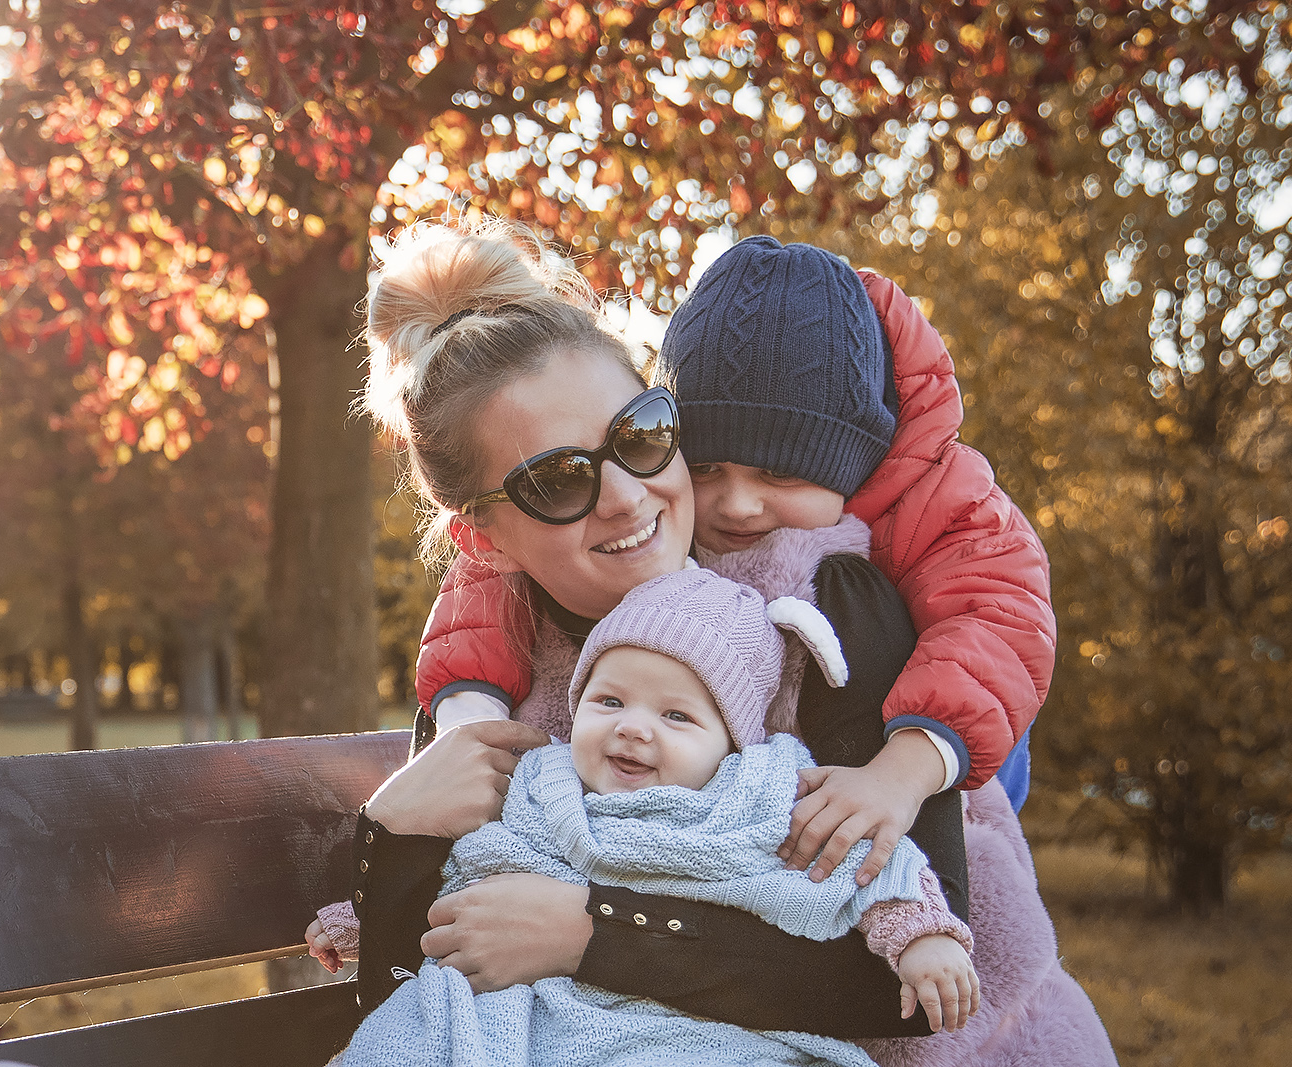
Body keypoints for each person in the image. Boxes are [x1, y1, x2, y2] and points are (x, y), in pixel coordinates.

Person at [331, 218, 1116, 1066]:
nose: (630, 496)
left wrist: (593, 929)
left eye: (640, 435)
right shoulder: (493, 680)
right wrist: (391, 831)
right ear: (482, 538)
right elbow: (414, 1004)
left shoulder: (824, 613)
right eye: (559, 480)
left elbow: (914, 984)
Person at [336, 564, 978, 1067]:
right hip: (540, 1015)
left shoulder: (763, 797)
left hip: (701, 1032)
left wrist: (923, 938)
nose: (634, 729)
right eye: (609, 700)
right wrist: (356, 921)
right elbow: (469, 873)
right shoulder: (540, 784)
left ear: (731, 742)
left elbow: (872, 864)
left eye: (676, 716)